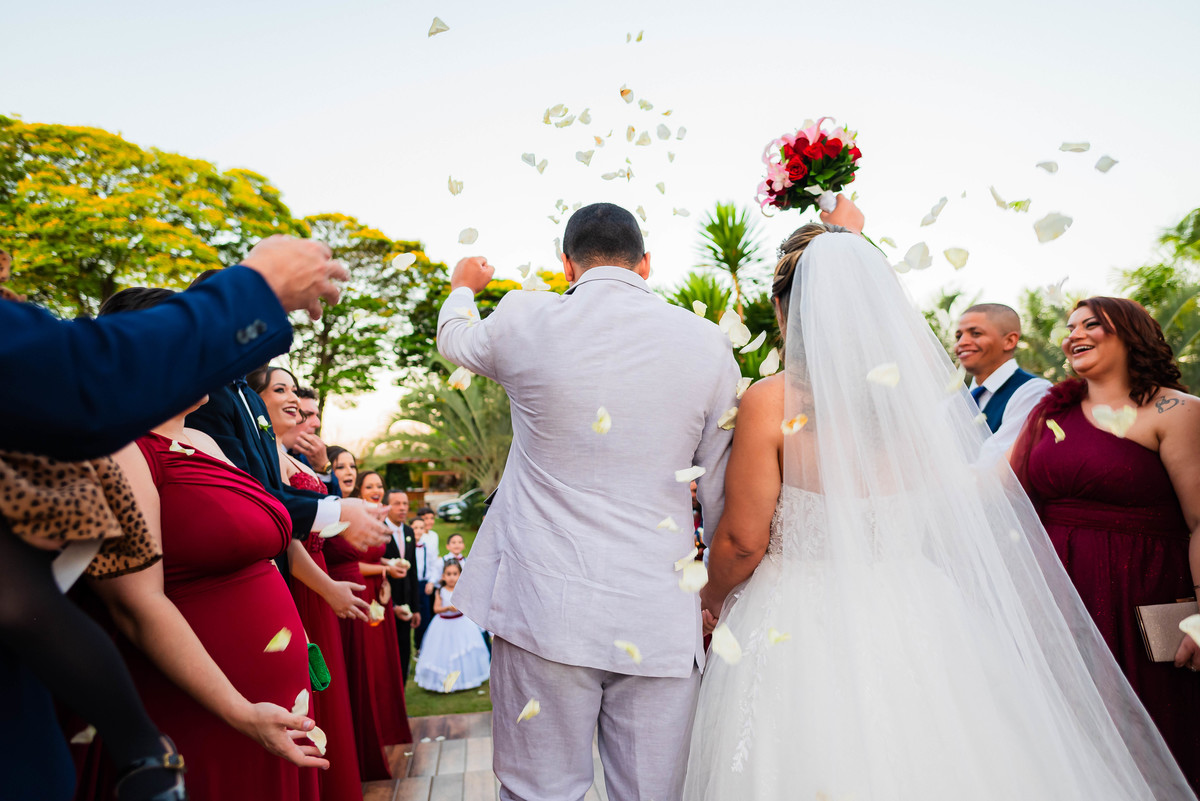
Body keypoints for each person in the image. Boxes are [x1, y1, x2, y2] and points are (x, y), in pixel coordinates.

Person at [686, 196, 1194, 800]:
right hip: (917, 606)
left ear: (785, 308)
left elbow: (743, 540)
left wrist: (710, 600)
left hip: (799, 614)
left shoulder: (774, 398)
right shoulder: (912, 403)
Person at [0, 235, 348, 801]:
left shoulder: (206, 441)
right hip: (200, 708)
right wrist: (256, 286)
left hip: (273, 698)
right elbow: (123, 602)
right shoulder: (121, 451)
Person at [437, 202, 740, 801]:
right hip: (659, 613)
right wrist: (715, 596)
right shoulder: (708, 344)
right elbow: (718, 492)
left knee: (538, 791)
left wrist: (462, 287)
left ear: (567, 265)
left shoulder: (525, 318)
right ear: (645, 264)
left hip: (543, 606)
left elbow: (455, 339)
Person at [1012, 296, 1200, 789]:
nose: (1074, 334)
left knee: (1149, 734)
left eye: (1091, 324)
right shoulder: (1048, 414)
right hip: (1054, 596)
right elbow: (1006, 497)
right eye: (1070, 326)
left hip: (1141, 593)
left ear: (1131, 333)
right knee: (1063, 733)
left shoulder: (1175, 410)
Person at [253, 365, 368, 801]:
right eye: (281, 390)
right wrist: (326, 586)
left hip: (317, 572)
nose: (300, 411)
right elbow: (288, 532)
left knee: (328, 687)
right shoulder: (265, 453)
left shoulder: (290, 458)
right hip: (303, 579)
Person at [324, 467, 412, 779]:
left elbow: (373, 556)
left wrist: (387, 564)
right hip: (357, 592)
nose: (376, 490)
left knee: (380, 665)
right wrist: (384, 570)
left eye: (379, 486)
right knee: (364, 665)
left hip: (379, 596)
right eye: (370, 486)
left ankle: (385, 729)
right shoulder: (343, 514)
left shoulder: (372, 516)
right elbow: (344, 562)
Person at [954, 303, 1052, 464]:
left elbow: (994, 463)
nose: (962, 342)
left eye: (976, 333)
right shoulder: (954, 402)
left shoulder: (1034, 391)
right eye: (958, 336)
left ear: (1009, 341)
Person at [413, 561, 490, 694]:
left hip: (461, 623)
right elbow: (436, 609)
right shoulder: (440, 591)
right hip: (443, 624)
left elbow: (469, 605)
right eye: (448, 574)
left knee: (463, 651)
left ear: (460, 575)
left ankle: (465, 679)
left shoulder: (462, 590)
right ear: (443, 576)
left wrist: (460, 607)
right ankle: (443, 681)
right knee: (443, 651)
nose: (452, 577)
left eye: (455, 574)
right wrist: (448, 608)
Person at [383, 490, 421, 681]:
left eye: (405, 504)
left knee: (404, 652)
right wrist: (393, 606)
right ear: (386, 506)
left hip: (406, 606)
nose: (403, 508)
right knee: (387, 656)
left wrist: (415, 608)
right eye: (397, 504)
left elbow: (413, 572)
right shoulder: (379, 530)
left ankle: (402, 694)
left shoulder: (409, 532)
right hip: (385, 605)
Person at [410, 516, 437, 650]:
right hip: (410, 585)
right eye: (415, 528)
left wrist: (431, 582)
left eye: (421, 528)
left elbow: (433, 565)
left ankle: (421, 647)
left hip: (423, 585)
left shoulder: (428, 547)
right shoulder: (406, 546)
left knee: (425, 617)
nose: (418, 531)